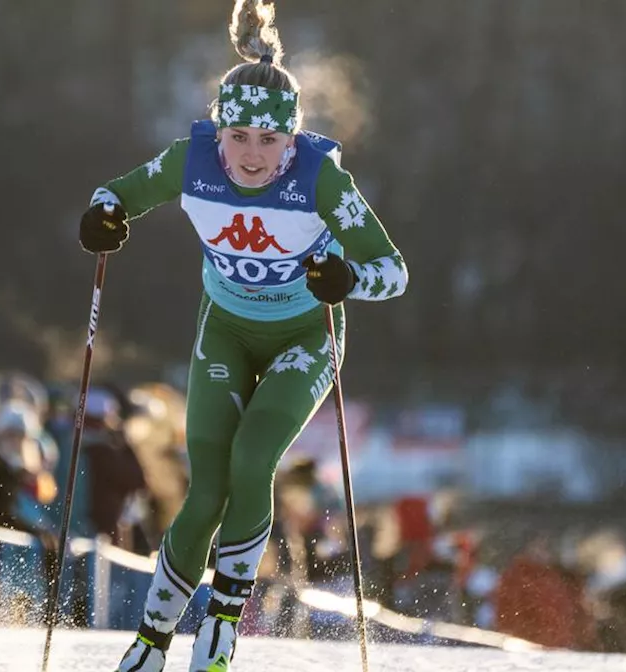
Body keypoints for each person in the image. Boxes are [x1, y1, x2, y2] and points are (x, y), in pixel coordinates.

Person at [78, 3, 409, 669]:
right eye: (239, 137)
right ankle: (150, 640)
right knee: (207, 488)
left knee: (254, 460)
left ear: (291, 143)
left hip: (304, 338)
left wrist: (344, 277)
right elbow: (115, 194)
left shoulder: (319, 177)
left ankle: (223, 623)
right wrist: (102, 218)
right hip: (226, 332)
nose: (251, 155)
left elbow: (393, 272)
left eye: (268, 141)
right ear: (218, 132)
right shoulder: (191, 161)